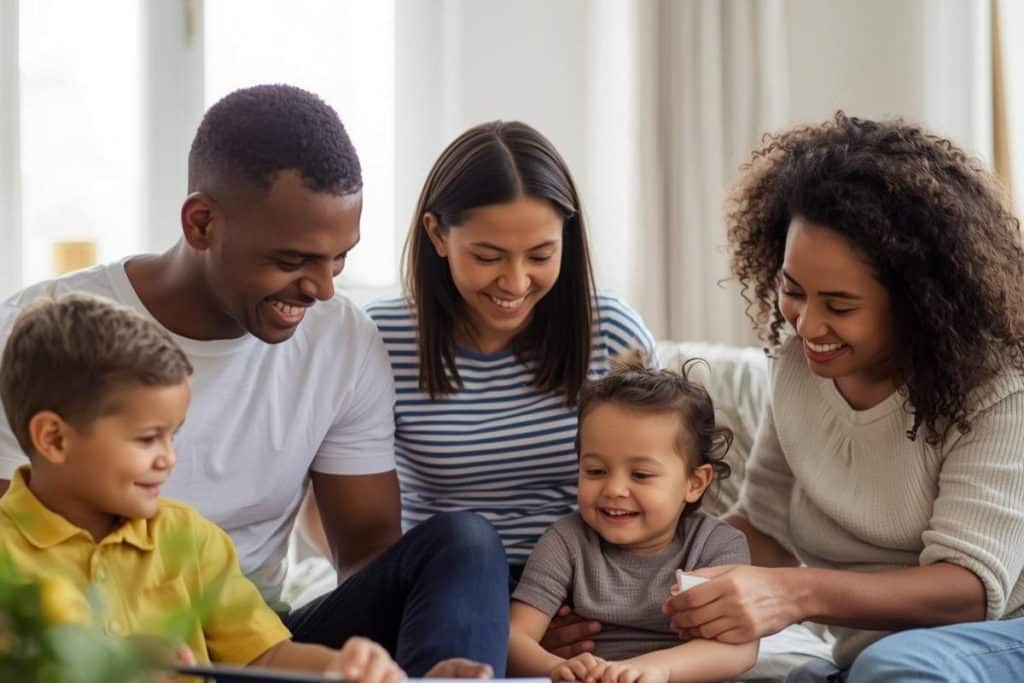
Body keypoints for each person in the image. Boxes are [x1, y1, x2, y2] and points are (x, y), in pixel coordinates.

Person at [0, 84, 507, 677]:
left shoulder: (341, 339)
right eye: (291, 261)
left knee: (465, 544)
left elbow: (367, 552)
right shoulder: (44, 337)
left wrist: (371, 666)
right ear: (202, 223)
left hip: (255, 641)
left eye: (339, 258)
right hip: (77, 650)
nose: (323, 290)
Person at [662, 112, 1024, 682]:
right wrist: (640, 581)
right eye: (793, 291)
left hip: (1002, 632)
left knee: (892, 665)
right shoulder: (795, 367)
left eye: (840, 305)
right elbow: (765, 529)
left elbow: (971, 590)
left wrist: (795, 594)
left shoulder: (998, 390)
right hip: (879, 658)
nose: (807, 325)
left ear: (917, 303)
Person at [0, 293, 405, 681]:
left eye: (172, 436)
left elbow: (265, 657)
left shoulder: (190, 537)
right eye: (147, 439)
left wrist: (341, 668)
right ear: (54, 438)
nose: (168, 458)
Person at [507, 352, 757, 683]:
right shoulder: (566, 542)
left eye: (640, 475)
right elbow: (513, 638)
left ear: (695, 483)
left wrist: (654, 669)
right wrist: (554, 668)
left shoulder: (716, 546)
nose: (614, 489)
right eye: (595, 471)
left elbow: (738, 649)